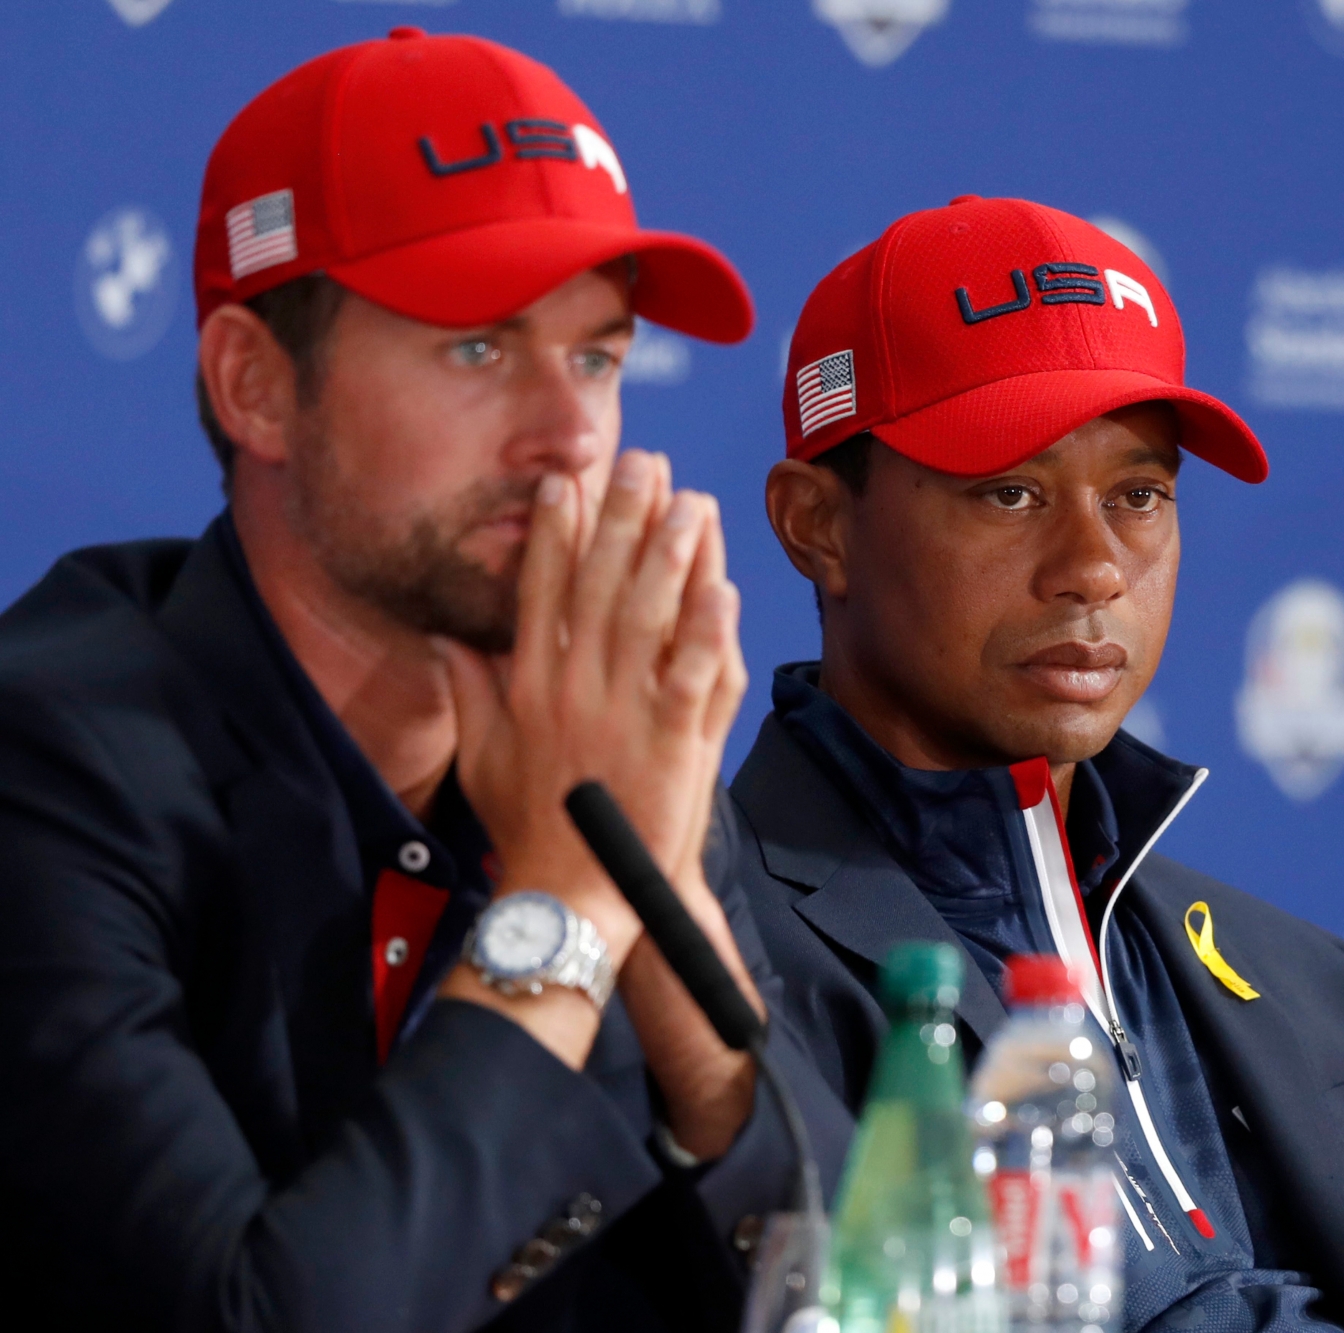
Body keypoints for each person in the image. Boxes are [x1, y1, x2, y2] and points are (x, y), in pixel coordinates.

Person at [0, 28, 843, 1332]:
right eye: (479, 349)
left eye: (598, 358)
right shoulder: (47, 760)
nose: (570, 435)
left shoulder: (611, 742)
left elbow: (880, 1297)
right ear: (256, 387)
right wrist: (566, 905)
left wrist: (656, 882)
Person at [731, 196, 1344, 1333]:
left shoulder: (1310, 982)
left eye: (1138, 496)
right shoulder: (700, 951)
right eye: (1009, 491)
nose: (1093, 568)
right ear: (816, 523)